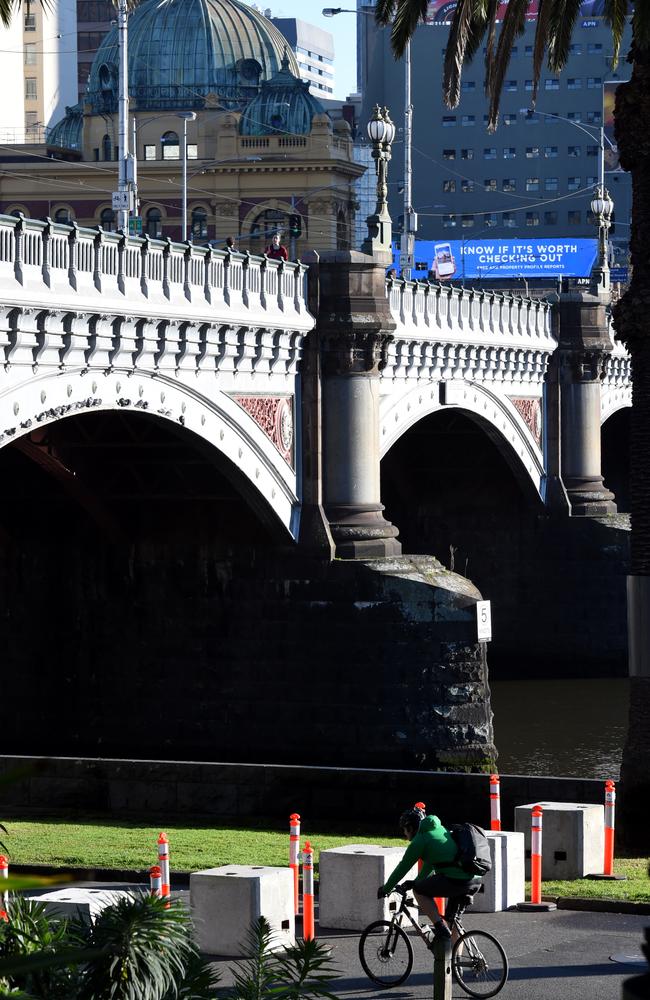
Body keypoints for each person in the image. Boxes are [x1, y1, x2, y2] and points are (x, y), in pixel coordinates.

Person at [377, 808, 482, 945]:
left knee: (419, 891)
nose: (404, 833)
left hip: (457, 880)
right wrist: (415, 881)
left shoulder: (420, 840)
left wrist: (386, 889)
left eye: (404, 829)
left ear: (411, 828)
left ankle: (439, 927)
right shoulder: (438, 830)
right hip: (473, 878)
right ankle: (457, 964)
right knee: (452, 921)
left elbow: (402, 868)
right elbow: (430, 864)